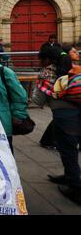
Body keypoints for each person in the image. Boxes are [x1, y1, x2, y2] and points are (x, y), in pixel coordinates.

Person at [32, 48, 81, 204]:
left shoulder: (47, 72)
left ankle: (75, 188)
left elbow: (38, 100)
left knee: (68, 150)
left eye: (40, 59)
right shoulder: (73, 68)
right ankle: (69, 176)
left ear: (47, 60)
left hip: (64, 115)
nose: (39, 62)